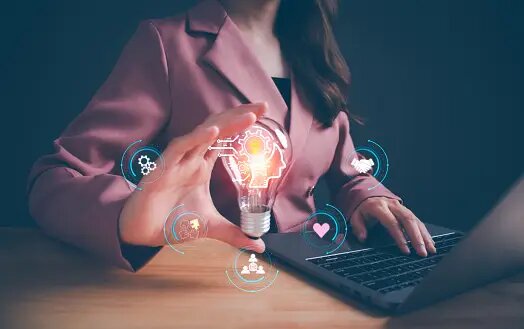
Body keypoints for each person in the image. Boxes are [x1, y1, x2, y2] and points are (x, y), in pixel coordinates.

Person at [28, 0, 436, 271]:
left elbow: (346, 173)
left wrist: (366, 194)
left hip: (317, 281)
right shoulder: (169, 45)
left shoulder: (314, 56)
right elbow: (57, 177)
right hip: (207, 284)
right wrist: (125, 217)